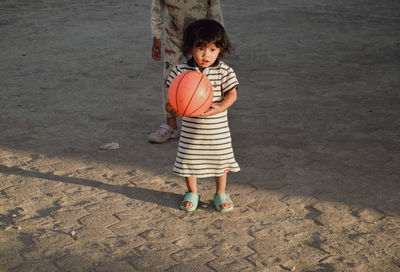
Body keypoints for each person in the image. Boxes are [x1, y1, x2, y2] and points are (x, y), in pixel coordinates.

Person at [165, 19, 240, 212]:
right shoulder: (180, 72)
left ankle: (221, 193)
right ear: (191, 47)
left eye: (213, 49)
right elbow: (171, 99)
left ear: (220, 50)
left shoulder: (224, 71)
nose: (207, 54)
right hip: (191, 131)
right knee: (189, 161)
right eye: (201, 48)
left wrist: (221, 106)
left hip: (218, 131)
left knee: (220, 162)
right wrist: (173, 109)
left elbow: (233, 93)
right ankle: (192, 192)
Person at [149, 0, 224, 143]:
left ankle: (204, 125)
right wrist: (156, 36)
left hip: (201, 39)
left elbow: (215, 9)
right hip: (174, 35)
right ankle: (170, 124)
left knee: (204, 78)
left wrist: (218, 40)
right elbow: (156, 8)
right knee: (169, 76)